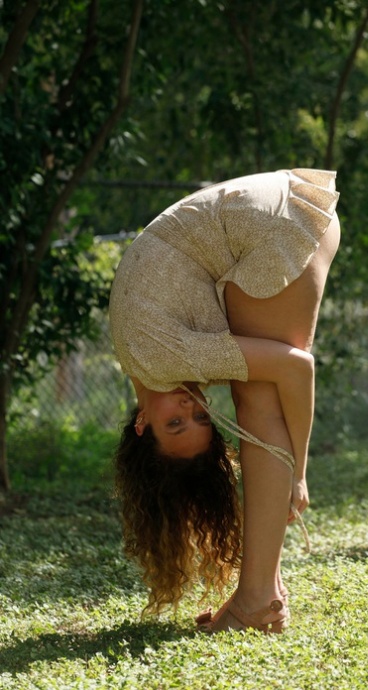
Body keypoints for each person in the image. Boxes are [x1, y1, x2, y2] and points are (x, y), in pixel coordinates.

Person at [109, 168, 340, 633]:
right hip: (281, 210)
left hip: (274, 223)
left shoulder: (159, 359)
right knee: (257, 394)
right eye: (200, 419)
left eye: (175, 423)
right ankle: (262, 593)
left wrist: (300, 470)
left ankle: (257, 602)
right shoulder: (150, 362)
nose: (190, 405)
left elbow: (298, 367)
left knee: (258, 403)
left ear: (140, 424)